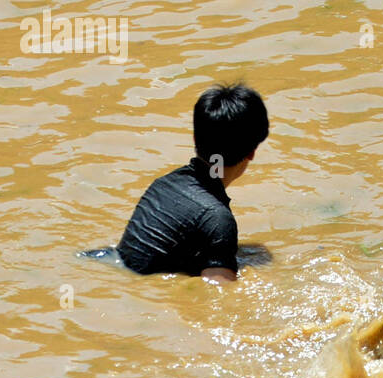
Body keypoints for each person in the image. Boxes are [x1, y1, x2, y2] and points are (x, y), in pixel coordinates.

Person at [113, 84, 268, 283]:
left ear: (195, 138)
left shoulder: (162, 185)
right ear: (252, 152)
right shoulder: (217, 219)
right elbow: (217, 297)